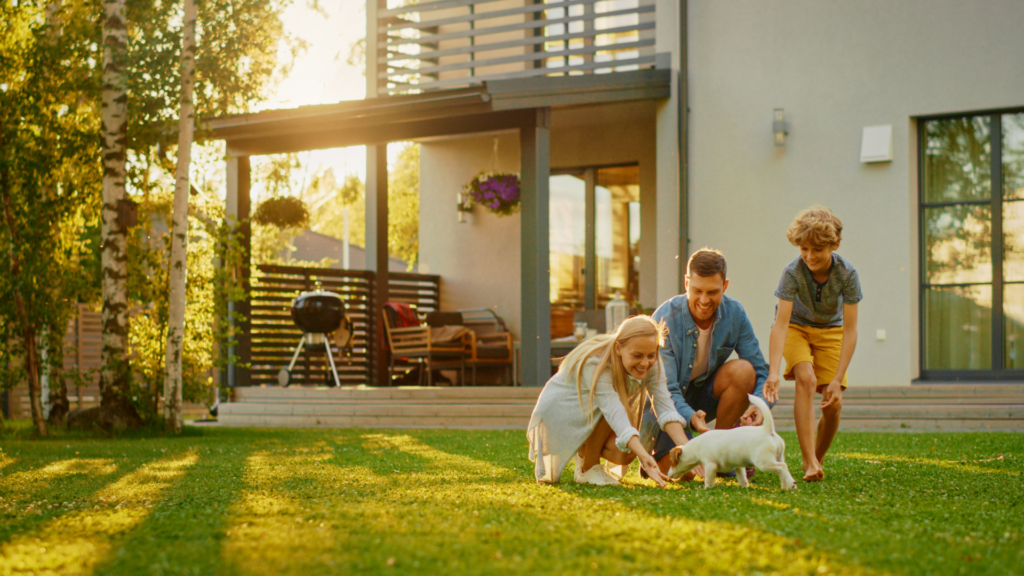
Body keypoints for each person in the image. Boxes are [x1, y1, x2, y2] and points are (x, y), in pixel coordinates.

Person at [649, 248, 772, 476]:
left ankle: (723, 454)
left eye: (713, 292)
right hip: (666, 405)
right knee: (686, 472)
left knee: (743, 370)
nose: (704, 300)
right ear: (686, 283)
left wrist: (761, 404)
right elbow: (666, 392)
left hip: (703, 396)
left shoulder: (735, 313)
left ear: (725, 287)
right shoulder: (664, 319)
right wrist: (690, 417)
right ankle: (657, 460)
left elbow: (759, 369)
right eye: (697, 290)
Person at [527, 316, 690, 486]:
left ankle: (584, 453)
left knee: (624, 453)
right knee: (616, 412)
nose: (645, 362)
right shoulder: (597, 363)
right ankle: (587, 468)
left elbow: (665, 409)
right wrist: (644, 456)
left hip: (594, 410)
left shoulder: (651, 361)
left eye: (651, 355)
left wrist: (691, 452)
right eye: (637, 355)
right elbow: (613, 411)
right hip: (561, 411)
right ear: (618, 348)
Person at [763, 206, 862, 482]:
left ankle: (816, 460)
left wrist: (838, 378)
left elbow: (851, 330)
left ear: (835, 244)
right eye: (803, 249)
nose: (809, 256)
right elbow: (780, 324)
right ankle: (808, 461)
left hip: (831, 330)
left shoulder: (847, 274)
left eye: (816, 250)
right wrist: (773, 372)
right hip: (796, 327)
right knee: (805, 377)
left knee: (833, 404)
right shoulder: (793, 272)